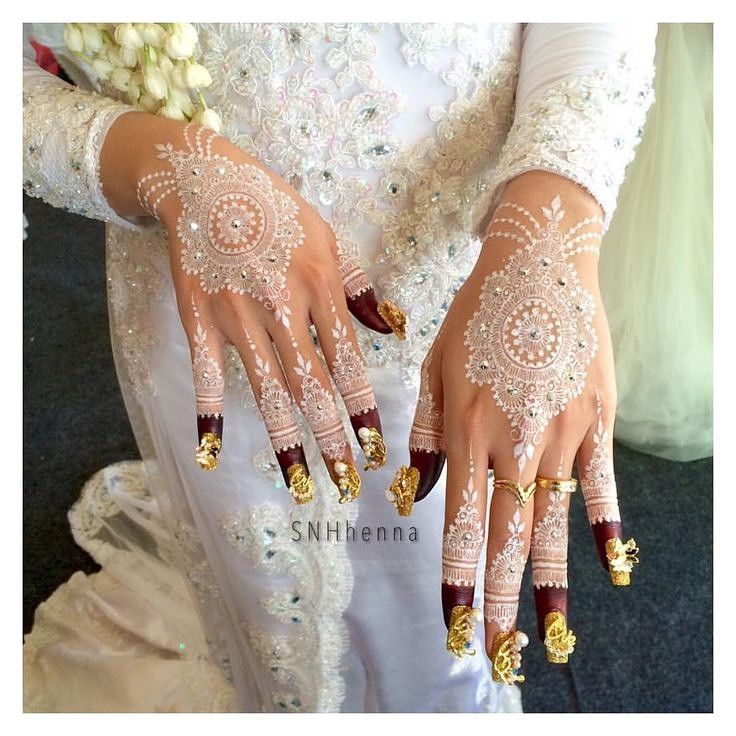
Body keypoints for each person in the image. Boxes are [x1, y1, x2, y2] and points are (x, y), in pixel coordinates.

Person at [23, 22, 663, 712]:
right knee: (265, 609)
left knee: (433, 610)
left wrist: (548, 226)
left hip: (453, 298)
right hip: (204, 303)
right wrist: (160, 162)